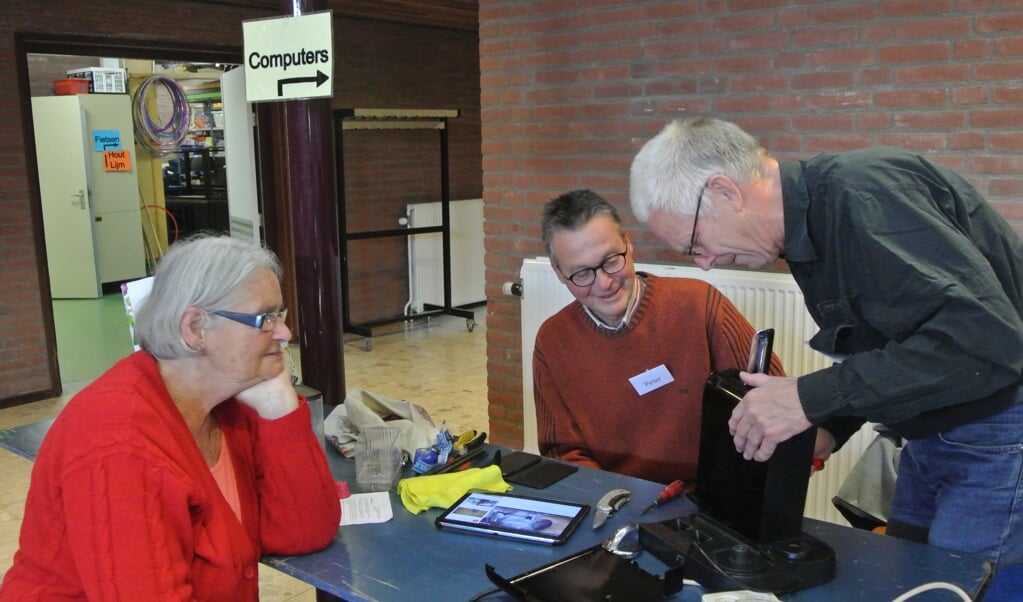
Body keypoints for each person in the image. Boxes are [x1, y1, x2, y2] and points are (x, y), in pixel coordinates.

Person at [629, 117, 1023, 570]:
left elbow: (987, 342)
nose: (706, 265)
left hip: (997, 430)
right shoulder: (810, 231)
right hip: (933, 430)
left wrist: (807, 398)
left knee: (963, 584)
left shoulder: (865, 197)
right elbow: (899, 346)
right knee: (911, 576)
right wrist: (830, 426)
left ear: (725, 191)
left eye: (696, 244)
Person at [0, 235, 341, 600]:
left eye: (281, 315)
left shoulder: (227, 404)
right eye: (266, 318)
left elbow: (304, 531)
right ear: (195, 329)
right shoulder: (119, 446)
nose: (285, 333)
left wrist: (280, 408)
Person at [533, 189, 789, 485]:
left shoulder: (698, 304)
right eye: (581, 274)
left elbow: (772, 401)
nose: (604, 283)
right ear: (558, 272)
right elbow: (562, 451)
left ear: (627, 243)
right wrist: (615, 498)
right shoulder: (552, 341)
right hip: (611, 499)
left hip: (708, 496)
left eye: (611, 260)